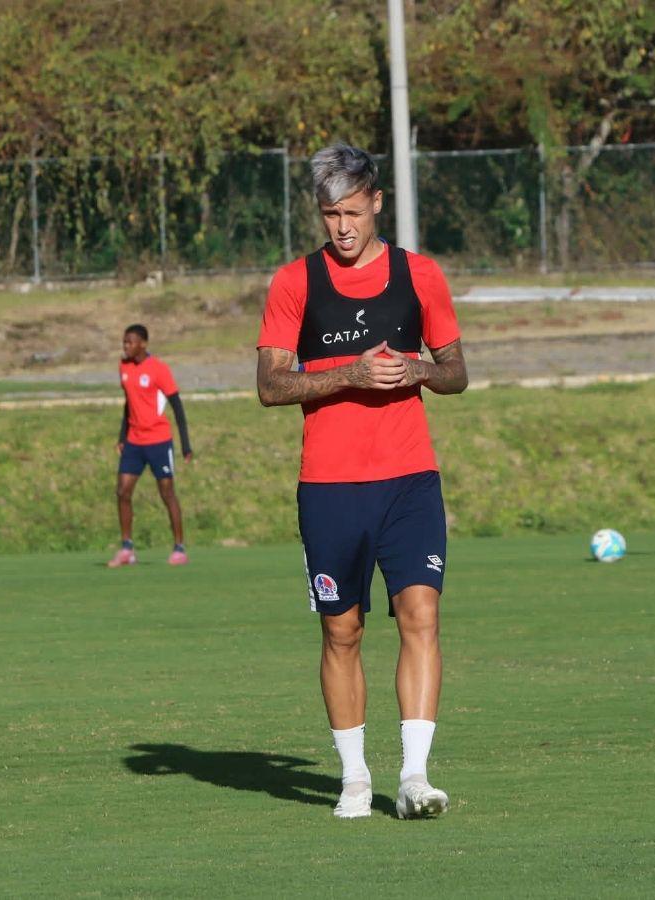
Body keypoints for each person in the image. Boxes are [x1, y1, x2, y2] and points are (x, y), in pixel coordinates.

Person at [256, 144, 468, 819]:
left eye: (352, 211)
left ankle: (414, 778)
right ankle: (353, 779)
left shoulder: (421, 275)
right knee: (341, 630)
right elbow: (269, 384)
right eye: (329, 215)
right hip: (330, 486)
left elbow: (456, 371)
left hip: (410, 479)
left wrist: (418, 372)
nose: (341, 227)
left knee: (421, 615)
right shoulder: (295, 283)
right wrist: (348, 373)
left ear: (377, 201)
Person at [109, 324, 194, 567]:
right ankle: (127, 549)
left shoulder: (159, 369)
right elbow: (129, 404)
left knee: (167, 494)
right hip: (134, 442)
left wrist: (185, 445)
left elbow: (177, 406)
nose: (126, 346)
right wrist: (122, 437)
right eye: (124, 342)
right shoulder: (123, 367)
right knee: (122, 492)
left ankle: (179, 548)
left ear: (143, 344)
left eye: (130, 342)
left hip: (158, 441)